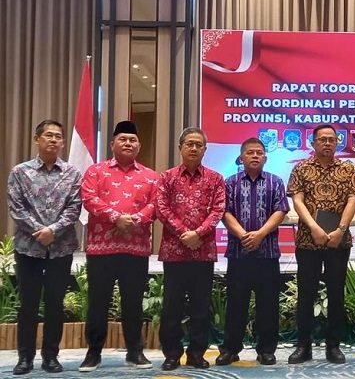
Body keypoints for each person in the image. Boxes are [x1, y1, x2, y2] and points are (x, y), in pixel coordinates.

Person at [79, 120, 159, 372]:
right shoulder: (96, 171)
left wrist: (133, 220)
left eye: (132, 140)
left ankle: (135, 352)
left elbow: (156, 205)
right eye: (122, 139)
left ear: (139, 146)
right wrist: (116, 218)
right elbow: (89, 198)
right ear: (112, 143)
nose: (128, 143)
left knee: (133, 303)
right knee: (98, 302)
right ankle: (93, 353)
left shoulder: (151, 176)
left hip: (135, 250)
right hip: (101, 249)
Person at [6, 120, 82, 375]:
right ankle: (24, 358)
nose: (53, 140)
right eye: (48, 135)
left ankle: (51, 356)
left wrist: (54, 230)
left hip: (61, 249)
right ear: (36, 139)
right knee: (28, 304)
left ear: (63, 142)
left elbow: (74, 207)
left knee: (54, 304)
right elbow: (16, 208)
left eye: (58, 136)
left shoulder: (72, 173)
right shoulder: (20, 172)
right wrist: (40, 231)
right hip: (28, 248)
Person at [286, 124, 355, 364]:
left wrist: (341, 229)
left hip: (338, 241)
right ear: (313, 143)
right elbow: (297, 200)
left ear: (337, 142)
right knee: (306, 294)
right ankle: (303, 346)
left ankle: (333, 346)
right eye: (322, 139)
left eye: (331, 139)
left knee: (336, 294)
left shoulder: (347, 168)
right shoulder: (301, 168)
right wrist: (314, 228)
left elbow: (352, 200)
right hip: (308, 240)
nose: (327, 143)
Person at [155, 127, 226, 371]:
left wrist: (198, 234)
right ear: (180, 147)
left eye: (198, 145)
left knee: (201, 307)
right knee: (171, 307)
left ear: (205, 149)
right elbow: (162, 208)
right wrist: (185, 233)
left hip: (203, 252)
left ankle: (197, 353)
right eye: (189, 144)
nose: (194, 148)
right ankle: (172, 354)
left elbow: (218, 209)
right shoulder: (167, 177)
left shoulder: (215, 179)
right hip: (174, 251)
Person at [215, 138, 288, 366]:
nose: (255, 156)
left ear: (265, 157)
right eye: (250, 152)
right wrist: (244, 236)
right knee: (236, 304)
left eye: (259, 152)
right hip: (239, 254)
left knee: (268, 305)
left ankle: (266, 350)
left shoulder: (276, 182)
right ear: (241, 157)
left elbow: (280, 211)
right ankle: (230, 349)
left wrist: (260, 235)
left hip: (267, 254)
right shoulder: (230, 183)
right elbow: (224, 212)